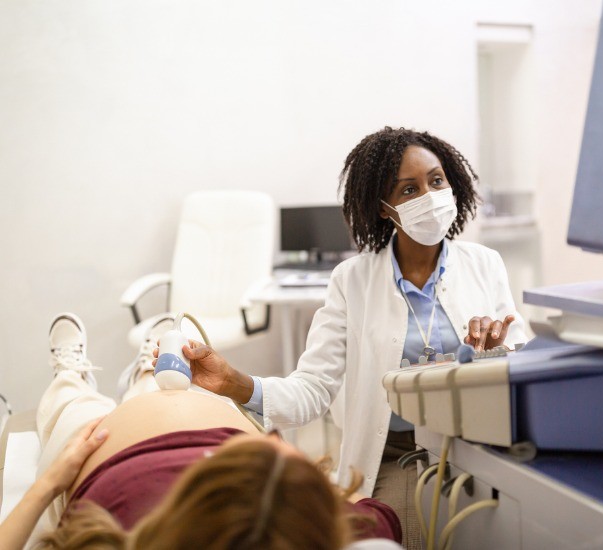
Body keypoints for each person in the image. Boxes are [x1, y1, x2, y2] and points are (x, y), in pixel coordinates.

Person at [169, 126, 529, 549]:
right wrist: (232, 381)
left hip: (475, 448)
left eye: (436, 181)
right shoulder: (352, 281)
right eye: (408, 190)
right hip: (397, 456)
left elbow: (520, 360)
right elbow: (313, 389)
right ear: (383, 208)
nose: (429, 197)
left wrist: (495, 355)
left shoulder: (484, 264)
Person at [0, 313, 401, 550]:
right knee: (152, 385)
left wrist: (50, 482)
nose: (277, 440)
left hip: (101, 451)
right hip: (199, 421)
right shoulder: (312, 530)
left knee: (71, 404)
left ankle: (73, 376)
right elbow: (381, 516)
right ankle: (144, 372)